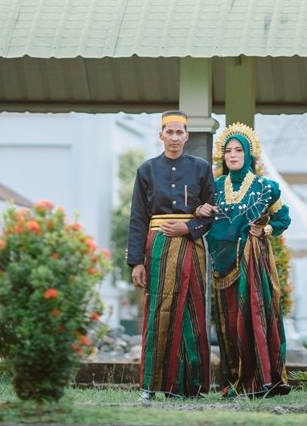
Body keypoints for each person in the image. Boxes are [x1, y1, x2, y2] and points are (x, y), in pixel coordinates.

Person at [197, 122, 291, 398]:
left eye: (239, 150)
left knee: (254, 317)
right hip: (221, 265)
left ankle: (262, 379)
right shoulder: (213, 187)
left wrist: (266, 230)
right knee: (228, 323)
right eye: (228, 151)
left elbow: (283, 218)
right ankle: (235, 380)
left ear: (249, 154)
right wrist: (199, 210)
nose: (233, 155)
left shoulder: (266, 188)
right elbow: (202, 217)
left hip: (252, 263)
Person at [127, 110, 215, 400]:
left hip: (191, 246)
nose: (174, 137)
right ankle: (151, 386)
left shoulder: (201, 168)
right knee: (158, 312)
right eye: (169, 132)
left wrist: (188, 226)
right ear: (160, 135)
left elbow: (212, 210)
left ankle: (189, 387)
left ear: (187, 136)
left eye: (180, 132)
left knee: (192, 311)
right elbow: (138, 218)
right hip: (158, 248)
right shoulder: (147, 170)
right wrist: (136, 262)